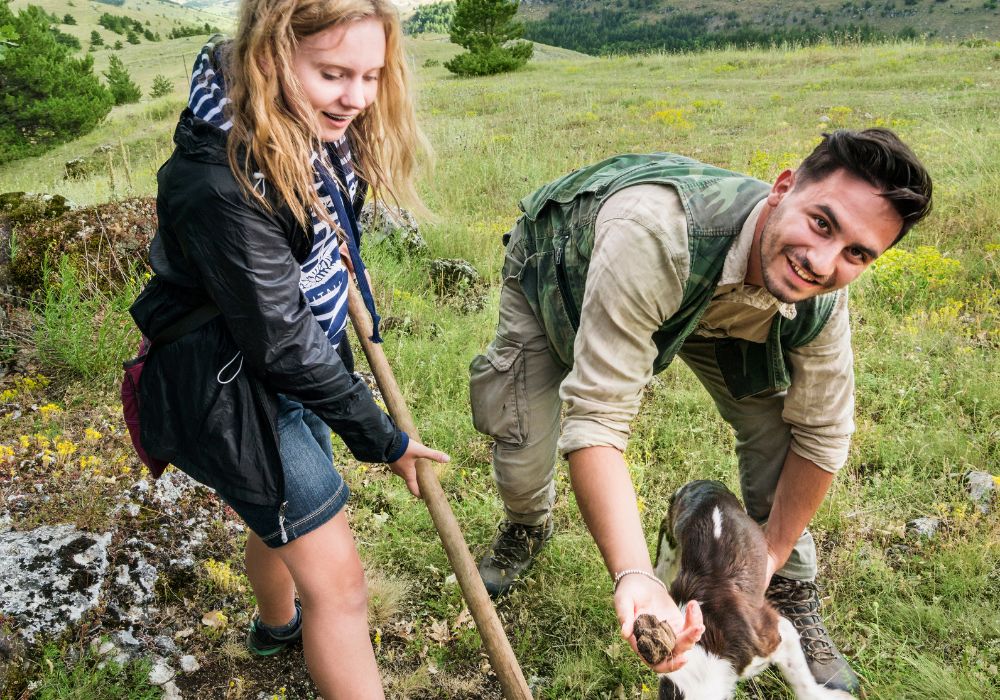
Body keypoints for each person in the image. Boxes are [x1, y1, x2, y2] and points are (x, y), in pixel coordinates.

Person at [470, 129, 932, 693]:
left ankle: (787, 593)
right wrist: (637, 576)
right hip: (568, 270)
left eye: (857, 253)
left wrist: (769, 556)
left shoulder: (819, 294)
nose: (821, 262)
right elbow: (598, 418)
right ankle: (525, 525)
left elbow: (823, 434)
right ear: (782, 189)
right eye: (821, 222)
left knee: (780, 434)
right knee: (522, 438)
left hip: (737, 298)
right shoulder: (652, 235)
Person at [128, 1, 448, 697]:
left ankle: (276, 627)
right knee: (342, 588)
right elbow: (280, 345)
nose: (358, 98)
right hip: (235, 390)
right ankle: (294, 625)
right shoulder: (221, 180)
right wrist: (384, 439)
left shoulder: (300, 122)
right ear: (272, 56)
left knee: (279, 517)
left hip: (297, 369)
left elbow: (309, 254)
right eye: (335, 74)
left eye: (371, 76)